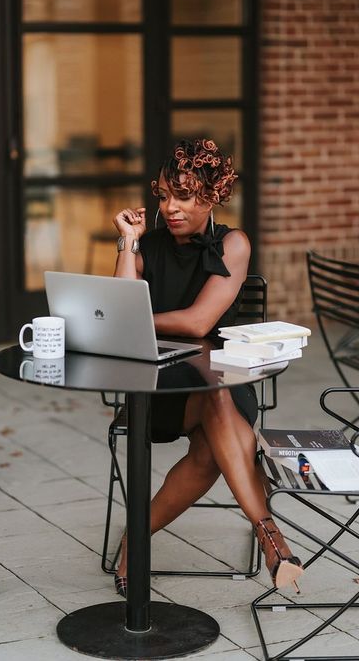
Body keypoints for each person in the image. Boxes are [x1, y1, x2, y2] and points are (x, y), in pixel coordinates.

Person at [112, 138, 303, 598]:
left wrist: (137, 317)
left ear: (212, 194)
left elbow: (200, 322)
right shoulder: (148, 245)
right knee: (214, 422)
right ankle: (272, 540)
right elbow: (117, 308)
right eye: (163, 195)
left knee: (212, 422)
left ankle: (134, 544)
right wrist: (127, 241)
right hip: (158, 383)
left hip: (222, 376)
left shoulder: (232, 243)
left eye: (184, 195)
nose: (170, 207)